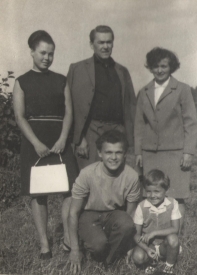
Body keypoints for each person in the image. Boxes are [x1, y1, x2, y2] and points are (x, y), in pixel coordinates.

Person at [13, 30, 79, 260]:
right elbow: (20, 117)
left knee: (69, 190)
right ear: (31, 52)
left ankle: (68, 238)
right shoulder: (21, 82)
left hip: (59, 138)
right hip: (35, 142)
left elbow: (69, 112)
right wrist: (36, 143)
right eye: (42, 53)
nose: (47, 58)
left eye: (51, 54)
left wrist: (63, 138)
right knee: (38, 194)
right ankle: (44, 245)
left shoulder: (61, 80)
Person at [134, 47, 197, 232]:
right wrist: (138, 151)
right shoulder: (144, 91)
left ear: (171, 67)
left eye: (164, 66)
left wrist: (188, 152)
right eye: (155, 66)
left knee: (176, 196)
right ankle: (153, 235)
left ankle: (175, 237)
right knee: (152, 195)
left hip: (175, 153)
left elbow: (191, 123)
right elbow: (138, 125)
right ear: (150, 67)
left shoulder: (182, 90)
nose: (160, 70)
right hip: (150, 154)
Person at [68, 130, 140, 273]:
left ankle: (109, 261)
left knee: (126, 224)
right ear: (100, 153)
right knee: (99, 245)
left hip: (114, 214)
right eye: (108, 152)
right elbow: (73, 212)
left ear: (125, 154)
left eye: (118, 152)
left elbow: (130, 213)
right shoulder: (87, 173)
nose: (113, 157)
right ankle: (92, 243)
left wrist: (130, 243)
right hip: (89, 215)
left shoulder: (131, 176)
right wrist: (74, 249)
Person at [67, 25, 136, 169]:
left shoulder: (122, 71)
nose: (105, 46)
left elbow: (131, 108)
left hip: (118, 133)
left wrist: (130, 143)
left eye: (109, 42)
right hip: (91, 133)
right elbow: (69, 107)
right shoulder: (77, 69)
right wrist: (79, 139)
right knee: (90, 179)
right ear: (92, 44)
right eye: (101, 42)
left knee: (116, 181)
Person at [130, 170, 181, 275]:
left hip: (164, 245)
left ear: (166, 190)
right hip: (149, 245)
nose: (152, 195)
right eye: (148, 191)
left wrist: (154, 233)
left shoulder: (172, 203)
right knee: (138, 257)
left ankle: (168, 266)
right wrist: (146, 249)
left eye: (157, 191)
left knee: (173, 238)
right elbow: (136, 235)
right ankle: (151, 263)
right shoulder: (142, 206)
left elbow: (175, 229)